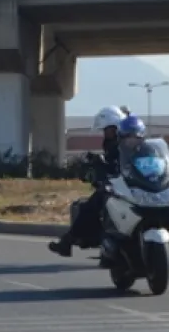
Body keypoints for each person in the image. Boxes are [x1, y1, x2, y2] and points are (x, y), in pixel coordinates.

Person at [48, 105, 128, 259]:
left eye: (107, 129)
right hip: (119, 183)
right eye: (104, 130)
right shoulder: (113, 142)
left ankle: (67, 241)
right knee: (89, 205)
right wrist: (96, 163)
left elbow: (121, 163)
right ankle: (73, 240)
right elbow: (112, 163)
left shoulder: (125, 142)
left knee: (90, 206)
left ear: (115, 127)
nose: (105, 133)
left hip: (128, 184)